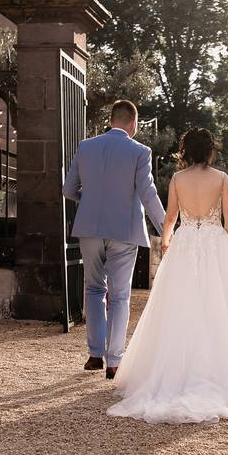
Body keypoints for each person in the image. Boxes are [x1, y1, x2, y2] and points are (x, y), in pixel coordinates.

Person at [108, 128, 228, 424]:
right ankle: (223, 373)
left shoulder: (178, 179)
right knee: (219, 308)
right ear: (210, 150)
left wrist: (165, 242)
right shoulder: (222, 178)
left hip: (186, 241)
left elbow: (171, 217)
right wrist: (221, 245)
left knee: (179, 306)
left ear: (185, 151)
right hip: (214, 242)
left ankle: (173, 373)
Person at [62, 100, 165, 380]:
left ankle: (95, 354)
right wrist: (167, 228)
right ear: (132, 124)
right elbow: (148, 193)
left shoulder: (86, 147)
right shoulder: (140, 151)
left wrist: (91, 201)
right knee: (120, 296)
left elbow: (68, 189)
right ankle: (114, 362)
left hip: (90, 228)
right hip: (125, 231)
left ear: (111, 120)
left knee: (94, 290)